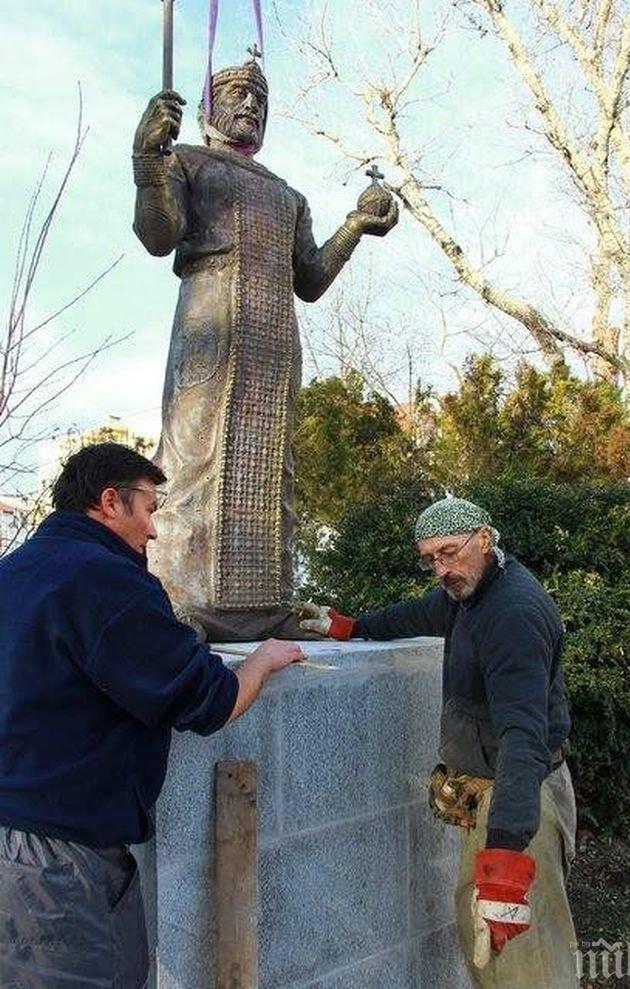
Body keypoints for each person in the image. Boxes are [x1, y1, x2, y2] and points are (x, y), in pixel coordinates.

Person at [0, 443, 304, 989]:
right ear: (110, 502)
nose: (155, 530)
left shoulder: (16, 571)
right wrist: (261, 660)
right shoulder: (102, 579)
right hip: (54, 862)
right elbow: (208, 701)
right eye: (150, 508)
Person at [132, 55, 398, 641]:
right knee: (192, 454)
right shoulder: (187, 160)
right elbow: (157, 236)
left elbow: (309, 278)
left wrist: (355, 224)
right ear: (206, 108)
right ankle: (179, 597)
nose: (250, 104)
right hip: (212, 324)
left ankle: (262, 601)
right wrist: (147, 161)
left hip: (274, 340)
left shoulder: (286, 195)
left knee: (270, 464)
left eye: (259, 97)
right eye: (234, 92)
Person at [299, 496, 578, 989]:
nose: (441, 569)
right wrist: (352, 627)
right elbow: (415, 615)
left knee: (521, 962)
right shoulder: (469, 594)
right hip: (499, 793)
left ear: (485, 539)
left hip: (518, 798)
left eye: (449, 552)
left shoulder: (512, 613)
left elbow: (523, 737)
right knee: (493, 951)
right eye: (430, 558)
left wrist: (507, 856)